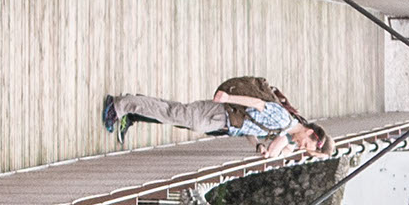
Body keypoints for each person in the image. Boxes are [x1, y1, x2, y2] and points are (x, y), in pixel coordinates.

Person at [106, 75, 325, 154]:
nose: (302, 148)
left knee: (172, 112)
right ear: (310, 133)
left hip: (223, 122)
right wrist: (228, 99)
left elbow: (251, 125)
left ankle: (131, 105)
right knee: (172, 113)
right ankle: (119, 105)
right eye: (307, 145)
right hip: (220, 114)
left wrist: (256, 145)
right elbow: (258, 105)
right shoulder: (284, 121)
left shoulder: (285, 127)